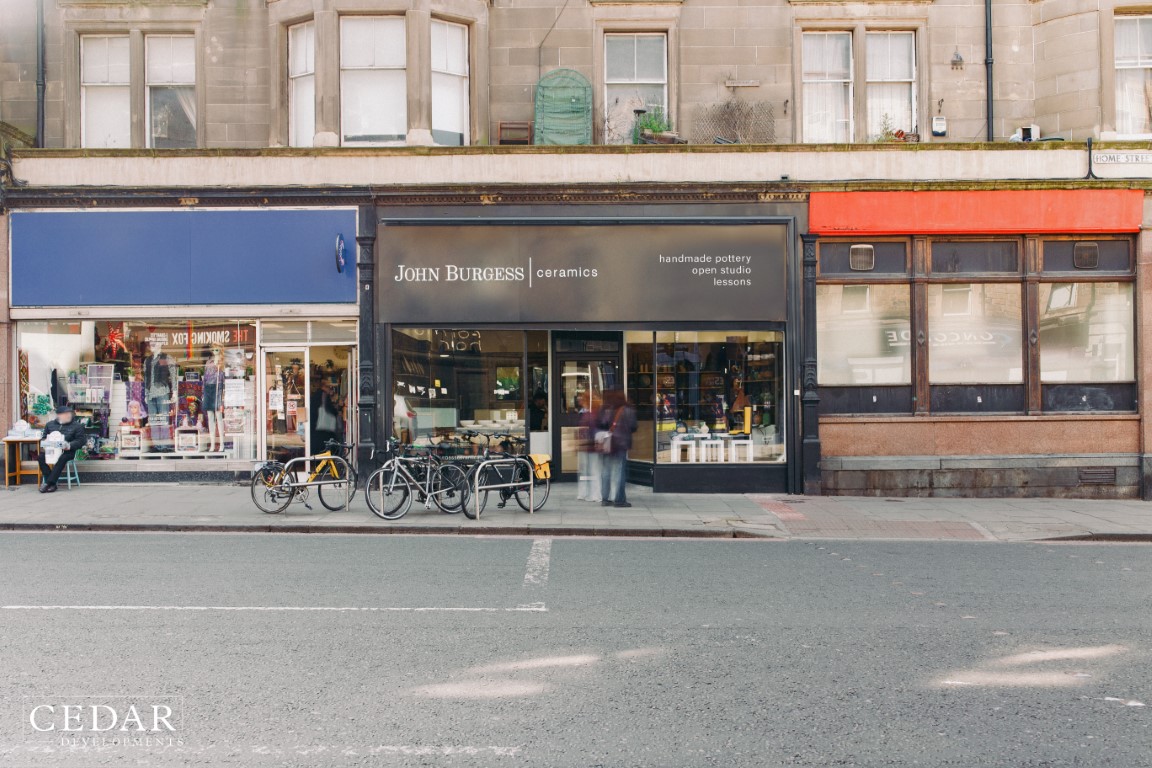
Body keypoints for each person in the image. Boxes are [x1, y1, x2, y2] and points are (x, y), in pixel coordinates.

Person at [597, 390, 637, 508]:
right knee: (619, 472)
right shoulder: (628, 410)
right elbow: (634, 426)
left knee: (606, 471)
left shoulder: (606, 409)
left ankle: (605, 499)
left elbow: (602, 424)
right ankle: (619, 500)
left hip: (608, 442)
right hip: (621, 443)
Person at [37, 405, 86, 494]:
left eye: (69, 413)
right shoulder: (50, 425)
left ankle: (48, 483)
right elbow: (44, 438)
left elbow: (81, 440)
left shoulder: (77, 426)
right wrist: (46, 442)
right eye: (65, 414)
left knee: (62, 458)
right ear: (58, 415)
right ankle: (52, 484)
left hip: (68, 451)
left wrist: (69, 445)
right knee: (41, 457)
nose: (68, 416)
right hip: (52, 450)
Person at [310, 379, 343, 453]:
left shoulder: (315, 395)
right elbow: (330, 409)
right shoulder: (324, 395)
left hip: (315, 426)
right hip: (322, 427)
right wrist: (338, 409)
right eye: (330, 388)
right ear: (325, 387)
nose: (331, 390)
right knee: (327, 444)